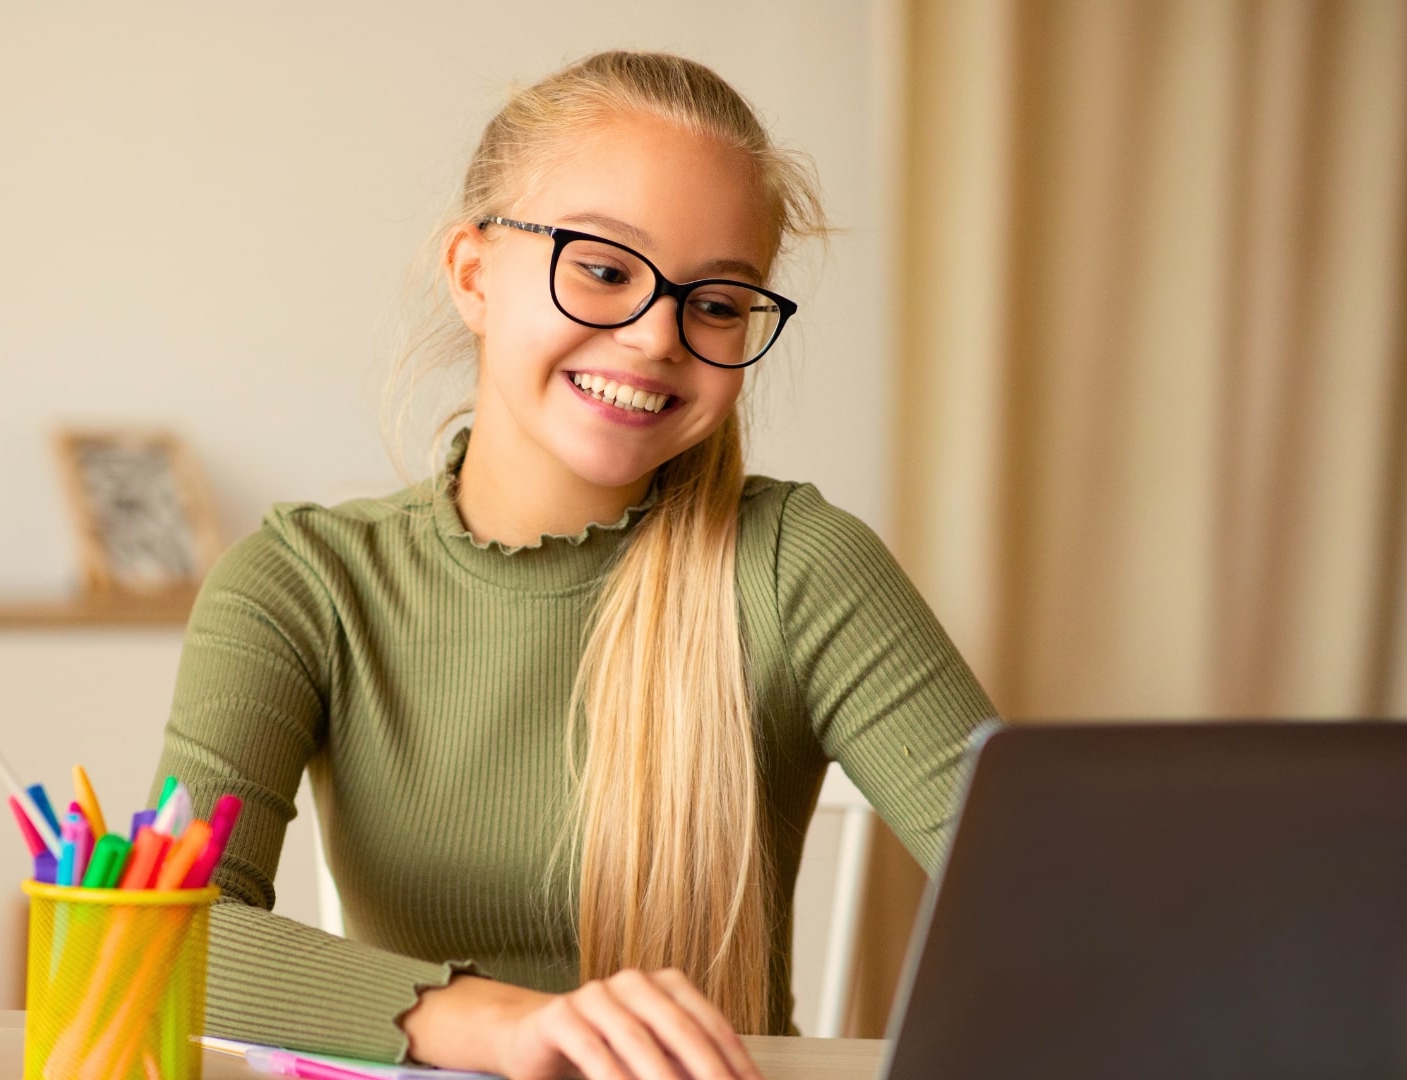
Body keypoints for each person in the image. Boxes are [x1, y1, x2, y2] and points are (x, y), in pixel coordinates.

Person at [150, 49, 996, 1080]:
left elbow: (1047, 891)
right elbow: (171, 937)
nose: (654, 337)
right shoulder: (302, 585)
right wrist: (510, 1026)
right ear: (473, 275)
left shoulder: (798, 568)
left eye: (718, 303)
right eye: (602, 269)